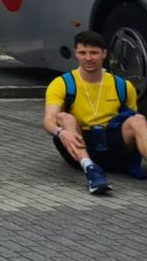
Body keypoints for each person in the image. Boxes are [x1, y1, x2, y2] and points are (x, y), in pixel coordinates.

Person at [44, 30, 147, 195]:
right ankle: (91, 170)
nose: (88, 58)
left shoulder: (123, 86)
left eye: (94, 53)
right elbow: (48, 120)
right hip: (78, 144)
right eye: (82, 53)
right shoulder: (61, 84)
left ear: (104, 54)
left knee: (138, 119)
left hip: (112, 143)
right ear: (76, 54)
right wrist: (61, 133)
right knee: (64, 117)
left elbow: (134, 125)